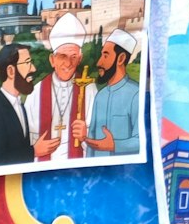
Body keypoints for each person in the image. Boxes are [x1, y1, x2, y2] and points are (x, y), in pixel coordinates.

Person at [25, 14, 88, 161]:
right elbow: (25, 136)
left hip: (81, 165)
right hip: (42, 168)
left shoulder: (89, 90)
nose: (68, 64)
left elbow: (101, 136)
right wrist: (33, 149)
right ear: (52, 60)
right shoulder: (35, 93)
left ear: (80, 59)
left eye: (73, 57)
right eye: (62, 57)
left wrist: (87, 135)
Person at [0, 42, 51, 166]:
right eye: (27, 63)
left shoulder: (20, 105)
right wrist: (33, 151)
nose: (33, 68)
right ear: (11, 71)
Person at [83, 30, 142, 158]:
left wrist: (115, 145)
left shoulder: (136, 94)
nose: (99, 63)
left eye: (105, 55)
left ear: (120, 59)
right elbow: (92, 139)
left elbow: (141, 141)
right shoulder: (100, 96)